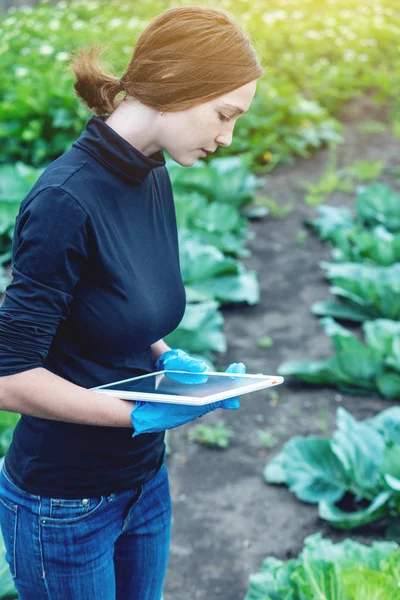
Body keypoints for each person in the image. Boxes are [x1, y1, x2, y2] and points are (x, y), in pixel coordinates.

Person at [0, 5, 263, 599]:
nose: (227, 137)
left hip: (144, 480)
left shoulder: (150, 172)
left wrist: (168, 358)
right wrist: (137, 415)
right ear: (173, 84)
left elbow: (116, 299)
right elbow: (8, 378)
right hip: (62, 504)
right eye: (225, 115)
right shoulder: (64, 201)